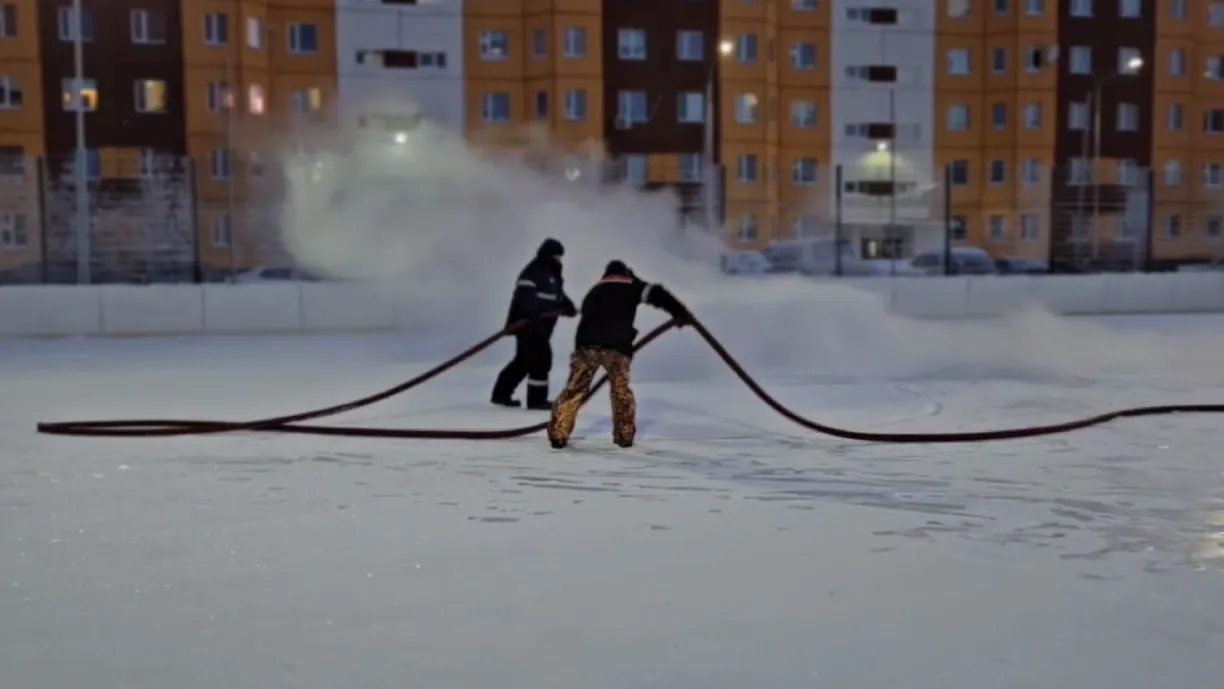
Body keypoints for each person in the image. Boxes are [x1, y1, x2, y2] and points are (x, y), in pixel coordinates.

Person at [547, 260, 690, 449]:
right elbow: (657, 294)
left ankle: (559, 433)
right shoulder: (630, 287)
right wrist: (680, 313)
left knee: (574, 389)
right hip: (616, 348)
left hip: (586, 347)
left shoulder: (594, 291)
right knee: (620, 391)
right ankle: (624, 436)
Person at [491, 238, 577, 410]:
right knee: (541, 359)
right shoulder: (535, 270)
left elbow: (557, 296)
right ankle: (537, 400)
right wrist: (532, 311)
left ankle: (501, 394)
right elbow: (525, 292)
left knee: (524, 360)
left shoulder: (552, 274)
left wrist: (568, 306)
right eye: (557, 256)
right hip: (528, 326)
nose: (559, 260)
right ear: (549, 255)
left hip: (541, 328)